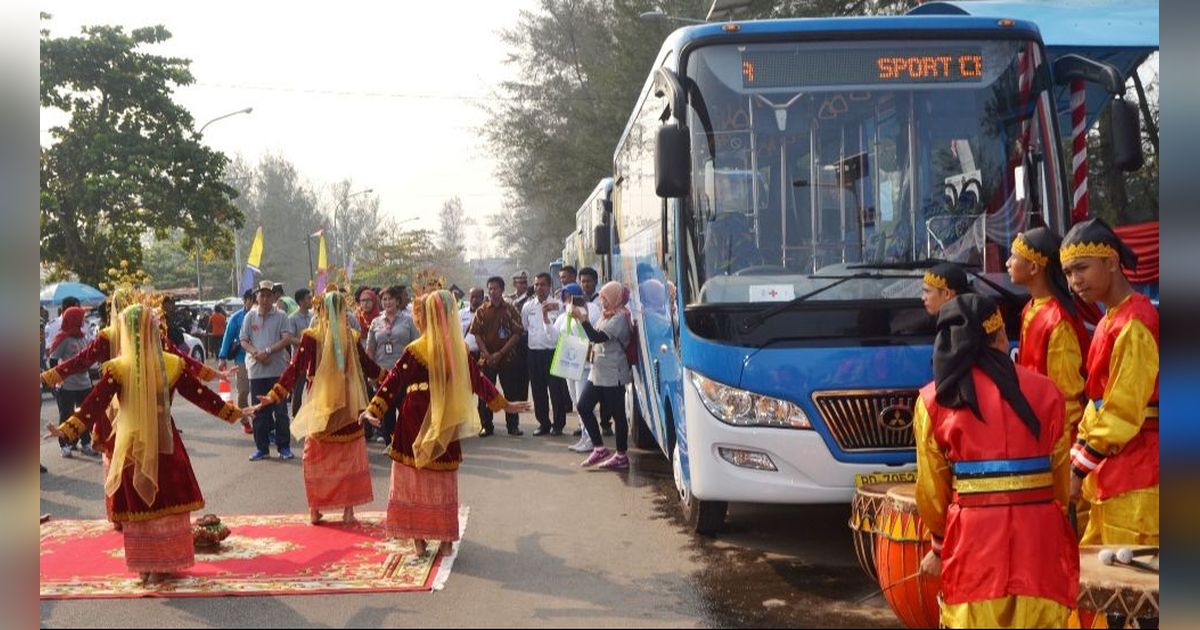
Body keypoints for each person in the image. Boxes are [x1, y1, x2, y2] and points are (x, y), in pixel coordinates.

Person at [45, 303, 250, 585]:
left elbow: (94, 403)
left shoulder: (119, 367)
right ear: (153, 331)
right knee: (168, 497)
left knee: (140, 502)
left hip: (130, 445)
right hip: (164, 441)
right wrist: (235, 413)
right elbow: (201, 396)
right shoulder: (170, 363)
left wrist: (66, 429)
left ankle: (146, 565)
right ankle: (164, 561)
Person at [914, 294, 1077, 628]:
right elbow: (1060, 477)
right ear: (1001, 336)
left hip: (974, 544)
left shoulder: (934, 401)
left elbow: (932, 487)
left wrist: (938, 545)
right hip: (1039, 538)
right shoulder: (1048, 391)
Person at [361, 288, 530, 555]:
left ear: (426, 316)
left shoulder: (416, 350)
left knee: (412, 476)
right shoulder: (458, 350)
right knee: (441, 476)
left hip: (414, 416)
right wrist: (504, 404)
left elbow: (393, 383)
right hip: (445, 418)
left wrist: (375, 409)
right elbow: (479, 382)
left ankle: (418, 539)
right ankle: (445, 539)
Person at [1061, 219, 1159, 552]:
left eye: (1081, 268)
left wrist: (1077, 466)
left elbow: (1122, 410)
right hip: (1111, 474)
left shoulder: (1135, 322)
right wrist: (1079, 461)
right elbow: (1097, 401)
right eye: (1068, 273)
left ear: (1112, 263)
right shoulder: (1107, 320)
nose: (1074, 281)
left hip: (1140, 475)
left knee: (1130, 595)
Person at [253, 289, 383, 524]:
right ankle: (348, 510)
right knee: (347, 455)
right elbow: (370, 367)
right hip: (347, 404)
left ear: (320, 309)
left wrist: (275, 394)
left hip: (321, 403)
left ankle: (315, 508)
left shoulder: (312, 336)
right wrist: (391, 377)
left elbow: (295, 369)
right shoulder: (350, 336)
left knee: (315, 456)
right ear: (344, 310)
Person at [570, 281, 634, 470]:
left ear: (615, 298)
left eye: (605, 298)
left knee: (618, 416)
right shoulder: (608, 315)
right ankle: (599, 448)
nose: (603, 302)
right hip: (598, 371)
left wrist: (583, 320)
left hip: (613, 372)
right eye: (602, 299)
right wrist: (585, 320)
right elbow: (595, 336)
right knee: (583, 406)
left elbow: (598, 337)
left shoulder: (620, 317)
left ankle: (621, 456)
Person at [541, 283, 602, 452]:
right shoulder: (563, 316)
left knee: (584, 403)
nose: (568, 300)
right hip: (569, 364)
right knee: (577, 403)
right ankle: (585, 436)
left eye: (570, 296)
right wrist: (546, 318)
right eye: (565, 297)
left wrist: (579, 314)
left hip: (585, 365)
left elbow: (594, 328)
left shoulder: (589, 309)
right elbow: (554, 337)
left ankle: (591, 439)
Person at [241, 281, 294, 461]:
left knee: (280, 412)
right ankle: (261, 448)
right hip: (256, 372)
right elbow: (244, 340)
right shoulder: (250, 316)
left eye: (268, 295)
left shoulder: (281, 316)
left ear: (273, 297)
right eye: (261, 295)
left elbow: (286, 339)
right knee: (259, 412)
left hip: (277, 371)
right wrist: (256, 353)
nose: (264, 299)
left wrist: (268, 351)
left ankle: (284, 447)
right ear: (256, 296)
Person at [469, 276, 527, 436]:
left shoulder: (510, 309)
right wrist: (488, 355)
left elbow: (517, 334)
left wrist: (501, 353)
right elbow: (477, 335)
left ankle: (513, 426)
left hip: (507, 358)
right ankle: (486, 425)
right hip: (487, 360)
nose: (492, 291)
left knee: (511, 392)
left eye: (495, 288)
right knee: (485, 393)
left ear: (502, 289)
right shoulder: (481, 311)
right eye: (490, 288)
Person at [367, 285, 417, 445]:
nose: (387, 302)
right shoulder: (376, 322)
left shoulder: (408, 320)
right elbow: (370, 349)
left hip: (404, 374)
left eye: (390, 299)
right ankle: (391, 444)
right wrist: (371, 373)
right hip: (383, 374)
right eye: (384, 299)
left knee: (405, 410)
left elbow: (416, 346)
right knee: (386, 412)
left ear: (398, 301)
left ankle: (406, 444)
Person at [522, 272, 571, 436]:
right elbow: (525, 327)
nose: (539, 287)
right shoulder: (528, 306)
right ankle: (543, 423)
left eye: (542, 284)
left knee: (556, 391)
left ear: (549, 286)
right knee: (538, 391)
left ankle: (558, 425)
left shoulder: (558, 305)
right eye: (536, 284)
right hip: (534, 354)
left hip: (553, 353)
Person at [46, 305, 97, 458]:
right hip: (67, 385)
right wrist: (57, 379)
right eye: (80, 318)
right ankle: (65, 444)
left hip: (84, 383)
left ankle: (85, 442)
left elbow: (89, 357)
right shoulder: (63, 338)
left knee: (84, 414)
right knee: (66, 415)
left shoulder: (84, 337)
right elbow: (53, 359)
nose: (83, 321)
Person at [219, 290, 256, 433]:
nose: (253, 303)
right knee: (243, 392)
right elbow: (227, 338)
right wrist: (222, 357)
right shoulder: (236, 318)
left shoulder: (263, 316)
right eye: (251, 300)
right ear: (245, 300)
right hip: (241, 360)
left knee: (259, 393)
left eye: (255, 300)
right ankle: (245, 419)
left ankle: (261, 422)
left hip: (259, 360)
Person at [286, 289, 315, 417]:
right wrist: (305, 343)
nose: (312, 300)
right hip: (299, 359)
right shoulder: (292, 318)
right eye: (309, 298)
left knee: (313, 389)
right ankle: (296, 417)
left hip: (314, 359)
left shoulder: (314, 316)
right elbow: (289, 337)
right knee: (297, 391)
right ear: (301, 301)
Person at [459, 287, 484, 356]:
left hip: (482, 355)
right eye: (472, 297)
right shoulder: (461, 313)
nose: (474, 299)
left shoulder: (487, 314)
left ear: (482, 298)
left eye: (477, 297)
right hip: (464, 355)